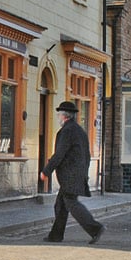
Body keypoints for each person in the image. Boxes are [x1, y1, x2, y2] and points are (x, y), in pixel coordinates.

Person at [39, 100, 105, 244]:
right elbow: (86, 155)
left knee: (72, 204)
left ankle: (95, 228)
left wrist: (46, 171)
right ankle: (55, 236)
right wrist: (84, 172)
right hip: (76, 173)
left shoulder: (67, 131)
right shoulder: (79, 130)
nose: (58, 117)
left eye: (59, 115)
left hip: (70, 175)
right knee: (61, 206)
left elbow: (60, 154)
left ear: (64, 116)